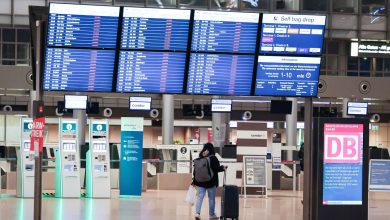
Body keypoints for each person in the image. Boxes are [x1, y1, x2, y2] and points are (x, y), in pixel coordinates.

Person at [192, 143, 226, 220]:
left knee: (200, 197)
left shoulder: (201, 157)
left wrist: (194, 181)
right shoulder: (213, 158)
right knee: (211, 198)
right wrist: (223, 168)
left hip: (201, 182)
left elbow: (196, 171)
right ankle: (211, 214)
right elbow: (217, 169)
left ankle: (197, 213)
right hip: (211, 182)